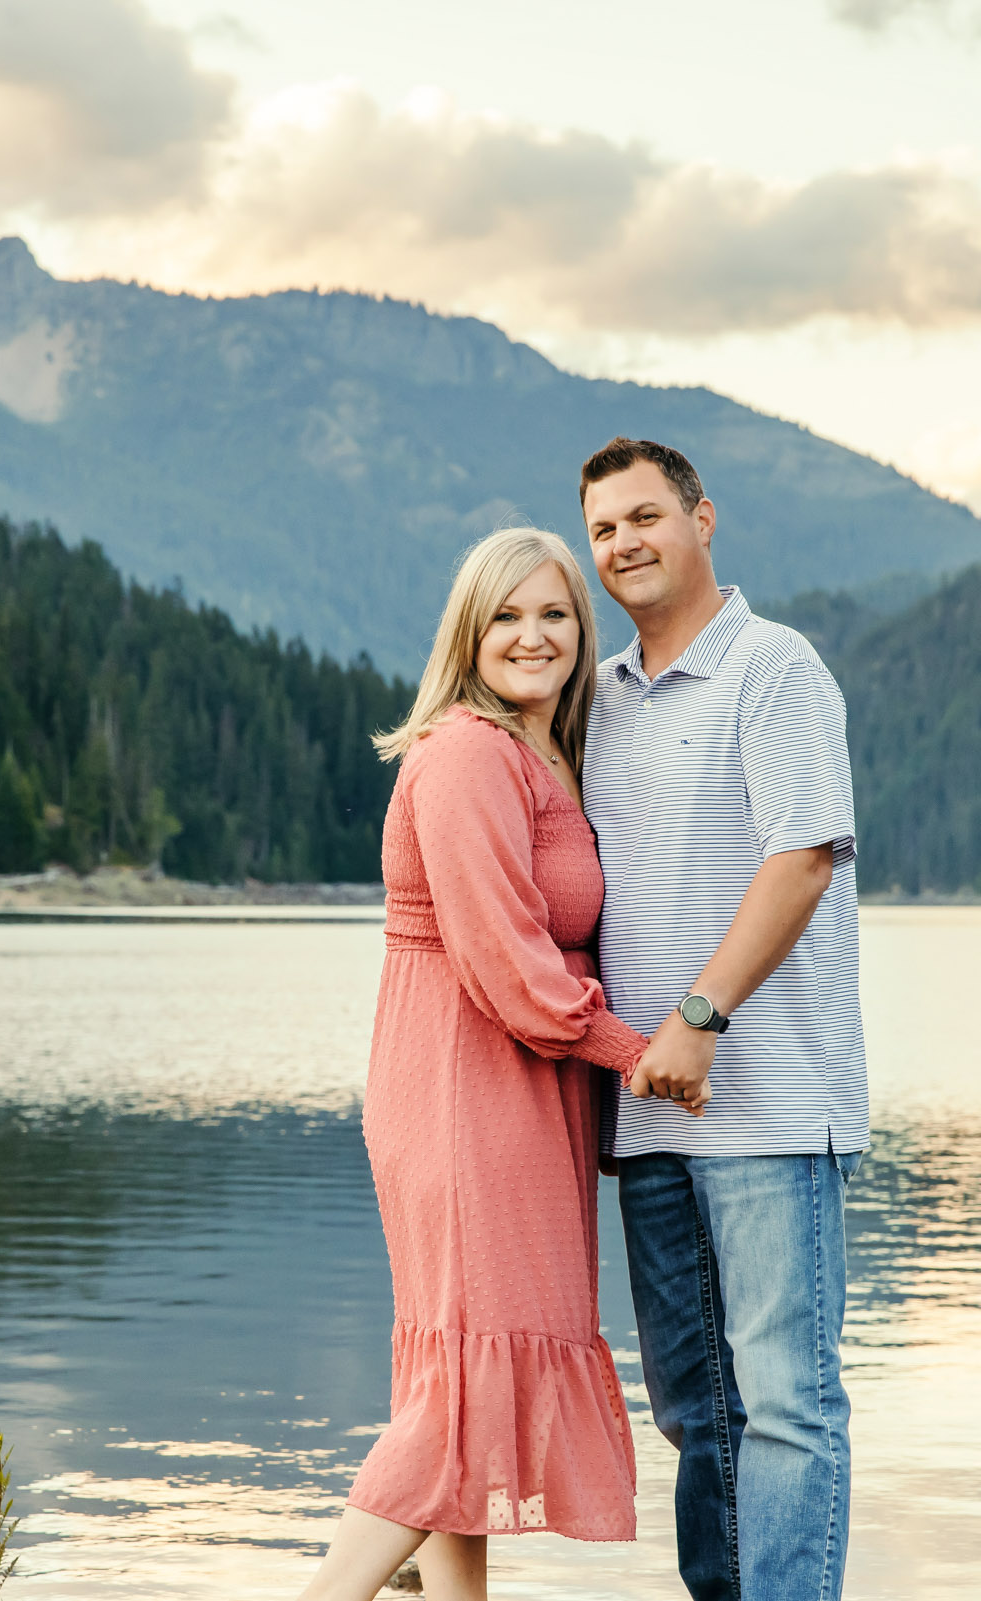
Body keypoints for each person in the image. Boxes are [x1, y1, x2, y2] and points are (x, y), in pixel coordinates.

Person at [297, 527, 647, 1601]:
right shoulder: (465, 754)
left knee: (466, 1378)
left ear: (582, 634)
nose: (532, 635)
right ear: (469, 632)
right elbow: (504, 962)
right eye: (507, 615)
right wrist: (644, 1054)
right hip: (465, 1095)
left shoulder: (548, 752)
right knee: (461, 1393)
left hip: (520, 1099)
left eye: (554, 614)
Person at [578, 437, 869, 1601]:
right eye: (602, 528)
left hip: (770, 1109)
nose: (624, 544)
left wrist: (701, 1012)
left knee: (788, 1404)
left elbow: (800, 857)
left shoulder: (774, 667)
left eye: (645, 515)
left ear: (705, 519)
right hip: (649, 1120)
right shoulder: (596, 697)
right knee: (699, 1408)